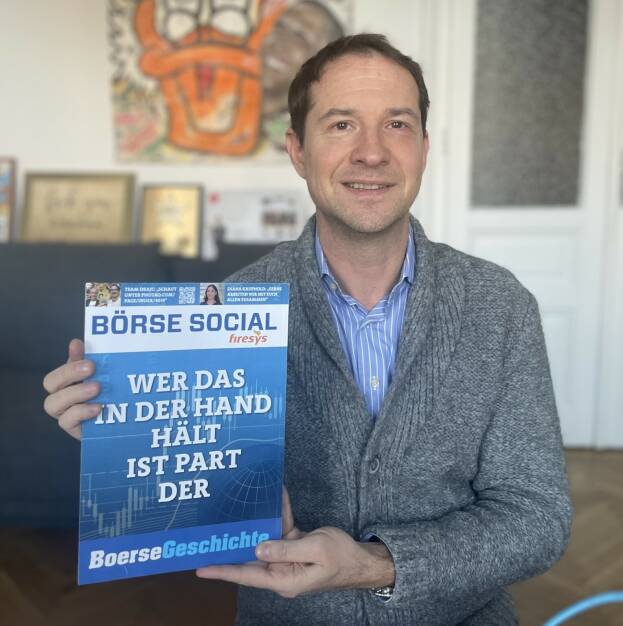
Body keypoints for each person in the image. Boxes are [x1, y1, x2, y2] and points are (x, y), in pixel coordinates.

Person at [42, 34, 571, 625]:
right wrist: (131, 436)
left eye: (396, 124)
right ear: (297, 150)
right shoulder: (224, 318)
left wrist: (374, 565)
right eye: (341, 125)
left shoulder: (500, 305)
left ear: (424, 148)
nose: (371, 152)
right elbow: (203, 497)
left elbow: (537, 518)